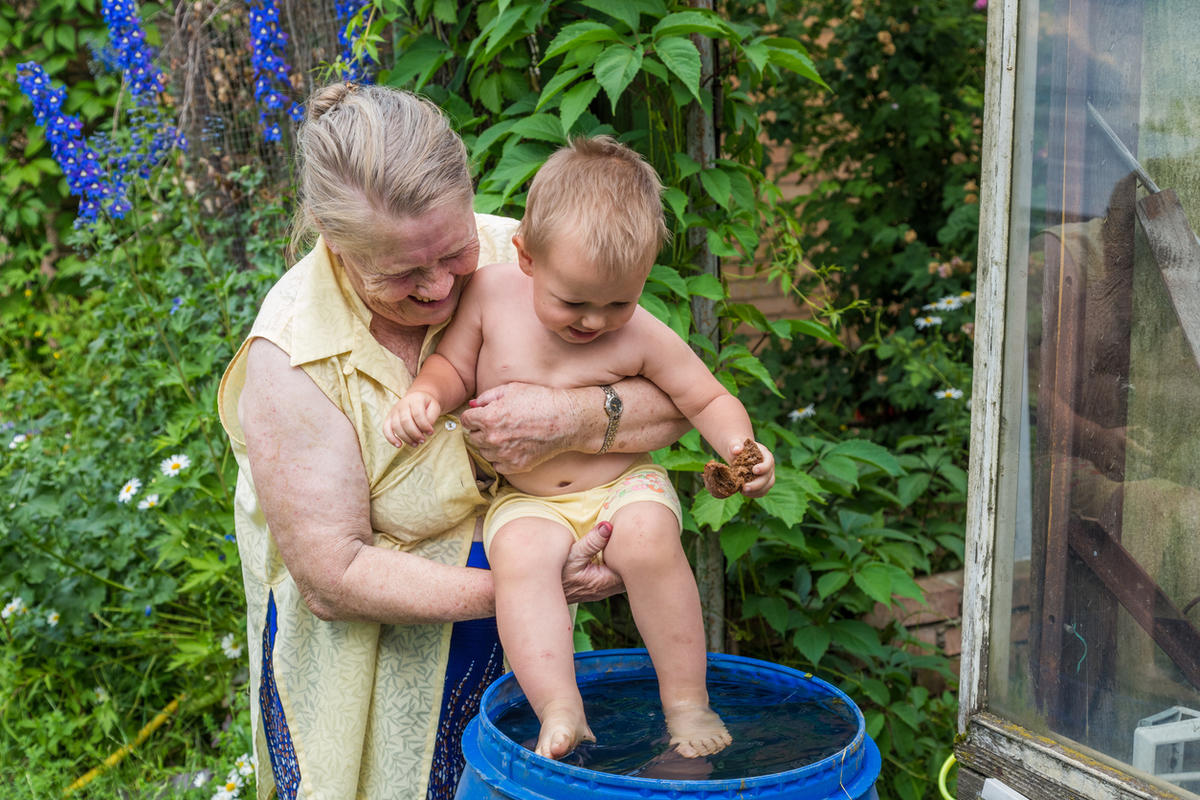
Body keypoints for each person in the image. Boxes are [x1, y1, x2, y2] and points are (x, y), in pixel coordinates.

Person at [216, 84, 691, 800]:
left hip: (525, 629)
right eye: (403, 272)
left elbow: (676, 400)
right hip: (380, 648)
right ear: (333, 240)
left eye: (453, 250)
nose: (440, 286)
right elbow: (333, 577)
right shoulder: (292, 353)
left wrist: (574, 417)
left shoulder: (530, 256)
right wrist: (532, 588)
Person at [384, 136, 776, 761]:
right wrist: (425, 397)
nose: (593, 321)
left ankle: (686, 701)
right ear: (527, 258)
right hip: (528, 499)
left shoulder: (642, 332)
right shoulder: (489, 297)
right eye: (573, 302)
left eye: (618, 302)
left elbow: (706, 400)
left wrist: (742, 448)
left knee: (648, 537)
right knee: (517, 560)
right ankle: (558, 706)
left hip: (622, 487)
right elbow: (453, 368)